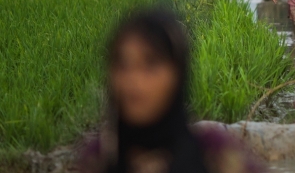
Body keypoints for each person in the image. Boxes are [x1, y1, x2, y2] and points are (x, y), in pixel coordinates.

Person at [79, 9, 265, 173]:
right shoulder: (99, 158)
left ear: (178, 75)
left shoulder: (214, 155)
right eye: (123, 64)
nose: (133, 80)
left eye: (150, 64)